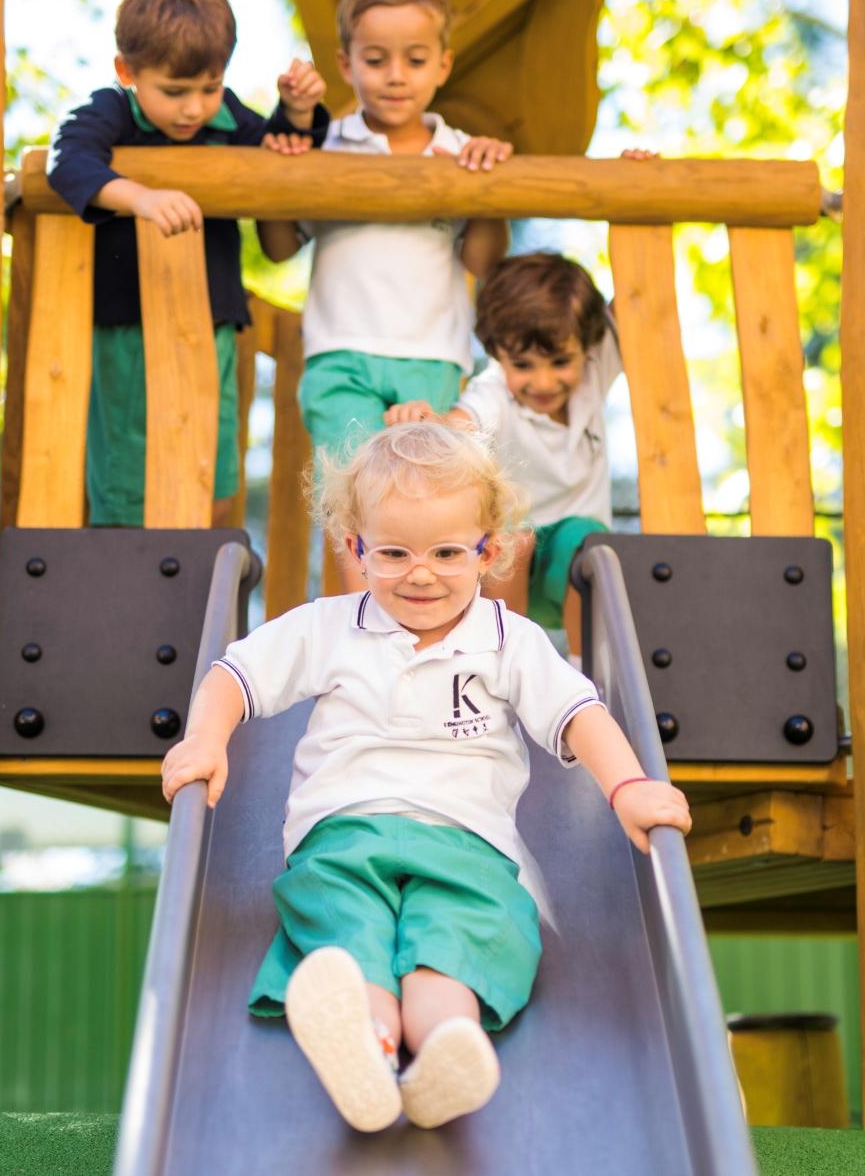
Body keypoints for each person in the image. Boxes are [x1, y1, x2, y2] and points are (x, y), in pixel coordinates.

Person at [160, 423, 692, 1133]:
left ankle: (445, 1050)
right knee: (350, 936)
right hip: (342, 832)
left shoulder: (509, 640)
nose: (420, 573)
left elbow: (577, 715)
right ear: (355, 549)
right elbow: (235, 674)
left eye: (446, 552)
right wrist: (205, 739)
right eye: (393, 553)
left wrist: (627, 786)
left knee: (458, 935)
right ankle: (367, 1052)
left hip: (466, 841)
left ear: (488, 551)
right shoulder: (327, 627)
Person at [256, 0, 514, 590]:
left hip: (429, 357)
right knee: (356, 502)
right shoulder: (325, 148)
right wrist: (278, 179)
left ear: (443, 65)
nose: (396, 74)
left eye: (415, 58)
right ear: (346, 64)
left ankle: (433, 641)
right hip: (339, 356)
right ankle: (362, 640)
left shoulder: (459, 153)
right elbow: (278, 245)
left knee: (428, 503)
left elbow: (483, 261)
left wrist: (490, 190)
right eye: (376, 59)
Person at [46, 0, 329, 527]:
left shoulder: (227, 120)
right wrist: (139, 196)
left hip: (212, 322)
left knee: (214, 461)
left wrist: (296, 113)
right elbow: (66, 158)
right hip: (129, 324)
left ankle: (197, 580)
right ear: (128, 72)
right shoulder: (114, 111)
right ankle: (126, 571)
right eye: (173, 92)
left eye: (209, 87)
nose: (193, 109)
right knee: (129, 465)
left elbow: (279, 152)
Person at [386, 253, 620, 660]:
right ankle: (501, 662)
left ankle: (590, 674)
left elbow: (637, 304)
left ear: (587, 348)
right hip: (507, 566)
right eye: (523, 365)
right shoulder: (494, 392)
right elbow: (462, 423)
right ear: (498, 354)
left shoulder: (596, 368)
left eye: (560, 362)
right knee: (513, 531)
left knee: (589, 539)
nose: (543, 381)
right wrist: (428, 422)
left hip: (572, 571)